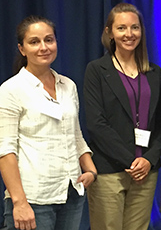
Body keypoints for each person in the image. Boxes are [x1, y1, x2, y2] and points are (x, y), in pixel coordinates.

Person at [0, 16, 97, 230]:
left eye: (49, 40)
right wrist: (19, 202)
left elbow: (75, 134)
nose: (43, 47)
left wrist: (91, 170)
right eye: (34, 42)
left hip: (71, 192)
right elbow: (6, 151)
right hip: (33, 197)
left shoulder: (68, 85)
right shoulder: (10, 90)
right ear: (22, 49)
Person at [83, 2, 161, 230]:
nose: (129, 34)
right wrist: (131, 161)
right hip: (109, 170)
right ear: (109, 32)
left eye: (135, 27)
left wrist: (149, 159)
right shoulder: (97, 70)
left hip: (146, 171)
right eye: (121, 28)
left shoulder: (154, 72)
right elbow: (96, 123)